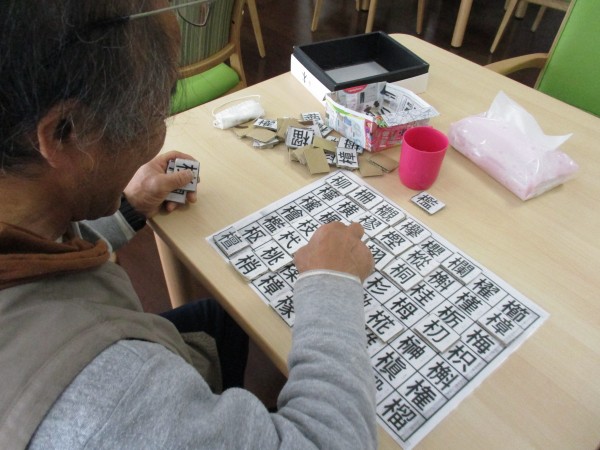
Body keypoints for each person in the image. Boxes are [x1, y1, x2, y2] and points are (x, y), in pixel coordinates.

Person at [0, 1, 377, 449]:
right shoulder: (103, 402)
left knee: (230, 313)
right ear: (67, 133)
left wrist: (127, 209)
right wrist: (333, 283)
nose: (158, 133)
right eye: (156, 112)